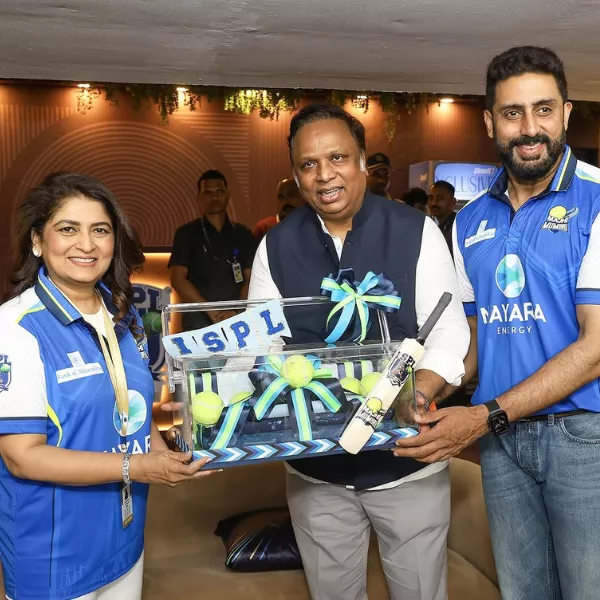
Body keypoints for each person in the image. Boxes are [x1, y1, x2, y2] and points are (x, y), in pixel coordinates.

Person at [394, 46, 600, 600]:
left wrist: (484, 416)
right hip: (501, 441)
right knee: (522, 592)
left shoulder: (598, 200)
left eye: (543, 109)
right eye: (512, 113)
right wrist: (423, 389)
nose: (529, 128)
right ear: (490, 123)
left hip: (585, 437)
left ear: (566, 113)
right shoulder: (469, 221)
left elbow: (596, 348)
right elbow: (474, 339)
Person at [249, 104, 469, 600]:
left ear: (363, 161)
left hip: (407, 461)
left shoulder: (416, 230)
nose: (324, 174)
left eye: (338, 158)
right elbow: (263, 345)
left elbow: (450, 331)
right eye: (308, 164)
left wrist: (419, 392)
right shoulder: (275, 246)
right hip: (315, 469)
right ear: (296, 176)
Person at [0, 173, 215, 600]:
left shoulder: (122, 314)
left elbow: (131, 406)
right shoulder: (16, 329)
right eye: (68, 229)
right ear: (37, 240)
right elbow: (22, 457)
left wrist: (164, 455)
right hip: (54, 556)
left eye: (100, 230)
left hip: (125, 541)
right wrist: (136, 467)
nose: (87, 244)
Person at [169, 170, 257, 329]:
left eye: (219, 192)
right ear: (199, 197)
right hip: (198, 322)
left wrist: (236, 311)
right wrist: (211, 311)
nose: (215, 198)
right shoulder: (186, 233)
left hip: (238, 321)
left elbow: (251, 278)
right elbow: (178, 280)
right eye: (208, 193)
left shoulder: (243, 233)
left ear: (228, 195)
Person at [428, 180, 457, 251]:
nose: (434, 203)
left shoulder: (457, 227)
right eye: (431, 198)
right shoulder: (435, 226)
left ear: (453, 202)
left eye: (440, 198)